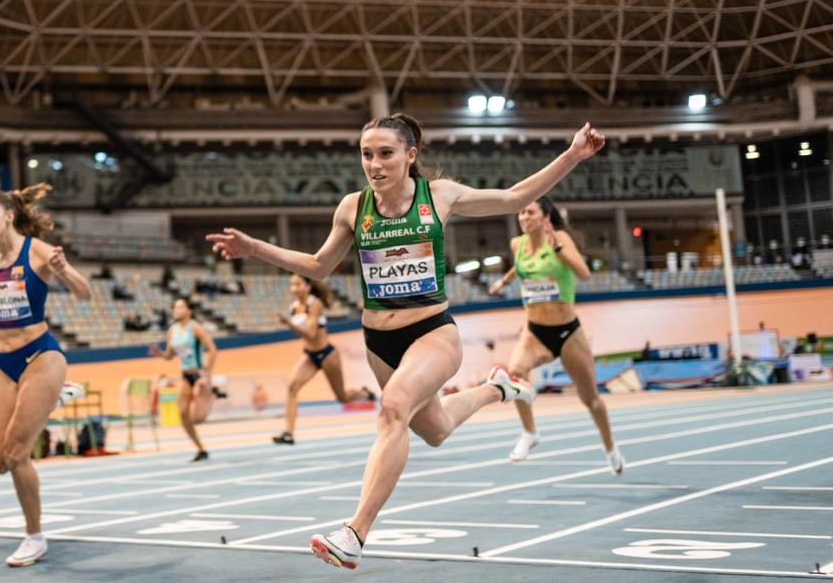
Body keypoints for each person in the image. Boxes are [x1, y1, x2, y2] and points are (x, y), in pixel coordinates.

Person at [207, 114, 605, 570]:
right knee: (433, 429)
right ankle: (499, 387)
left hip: (433, 331)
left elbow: (515, 196)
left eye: (385, 154)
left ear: (410, 156)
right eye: (366, 154)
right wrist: (256, 248)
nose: (374, 164)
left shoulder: (440, 196)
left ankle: (354, 532)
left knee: (394, 407)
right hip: (378, 339)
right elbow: (318, 266)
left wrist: (574, 154)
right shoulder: (353, 208)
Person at [0, 184, 91, 567]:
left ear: (8, 216)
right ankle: (54, 396)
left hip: (41, 358)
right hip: (6, 366)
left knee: (17, 452)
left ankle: (34, 536)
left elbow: (85, 293)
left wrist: (63, 269)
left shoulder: (35, 249)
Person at [487, 198, 622, 472]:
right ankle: (530, 432)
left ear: (545, 217)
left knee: (591, 399)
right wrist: (504, 280)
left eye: (530, 212)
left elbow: (583, 274)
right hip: (535, 331)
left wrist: (558, 248)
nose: (524, 217)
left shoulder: (558, 238)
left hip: (568, 332)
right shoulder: (518, 244)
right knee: (515, 372)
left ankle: (610, 447)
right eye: (521, 212)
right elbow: (522, 266)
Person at [272, 275, 375, 445]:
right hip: (310, 356)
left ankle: (364, 393)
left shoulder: (314, 304)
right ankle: (288, 433)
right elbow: (305, 336)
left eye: (298, 284)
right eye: (292, 285)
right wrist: (290, 322)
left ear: (308, 286)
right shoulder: (293, 308)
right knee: (292, 387)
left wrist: (289, 324)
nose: (294, 288)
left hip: (327, 355)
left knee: (342, 398)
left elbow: (311, 333)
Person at [150, 298, 219, 461]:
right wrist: (159, 353)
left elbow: (212, 349)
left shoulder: (195, 328)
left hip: (200, 374)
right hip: (185, 375)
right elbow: (170, 355)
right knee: (182, 413)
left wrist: (206, 373)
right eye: (174, 307)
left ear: (189, 311)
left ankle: (212, 393)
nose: (176, 310)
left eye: (180, 307)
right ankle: (201, 449)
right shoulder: (172, 331)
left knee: (196, 417)